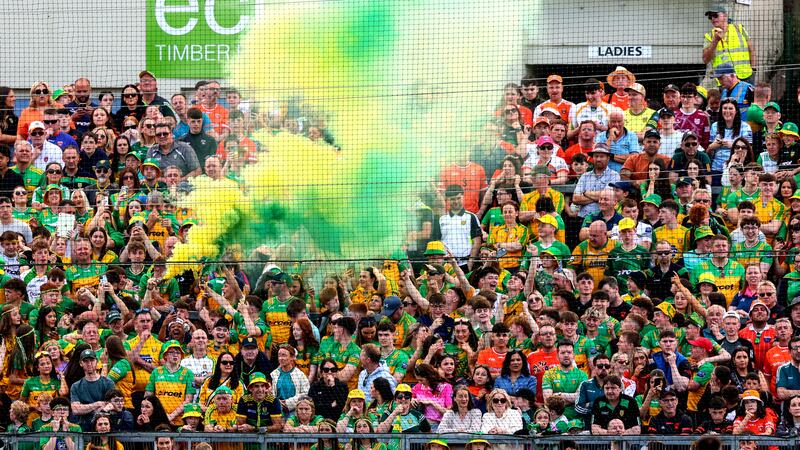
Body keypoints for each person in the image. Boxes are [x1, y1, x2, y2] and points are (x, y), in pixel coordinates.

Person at [703, 5, 756, 83]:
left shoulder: (739, 29)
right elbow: (705, 59)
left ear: (725, 16)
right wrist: (715, 41)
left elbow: (752, 50)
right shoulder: (709, 36)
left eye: (715, 15)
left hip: (746, 76)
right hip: (724, 79)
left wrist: (753, 70)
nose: (713, 19)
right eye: (710, 17)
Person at [69, 348, 115, 431]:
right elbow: (76, 409)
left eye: (91, 360)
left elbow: (112, 405)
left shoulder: (108, 383)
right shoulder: (76, 386)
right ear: (81, 363)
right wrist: (97, 404)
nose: (89, 363)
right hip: (84, 427)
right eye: (85, 361)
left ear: (96, 361)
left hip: (103, 427)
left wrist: (85, 408)